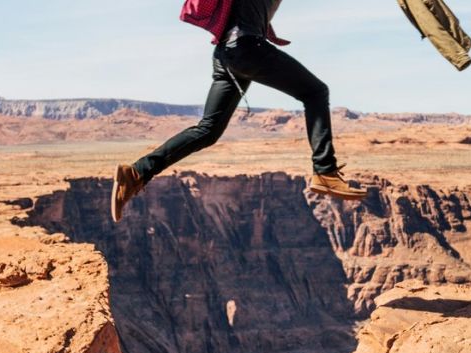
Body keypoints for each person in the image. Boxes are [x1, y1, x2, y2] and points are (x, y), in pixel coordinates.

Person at [111, 0, 367, 222]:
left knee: (208, 130)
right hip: (246, 48)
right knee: (315, 92)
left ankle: (136, 173)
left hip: (227, 52)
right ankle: (325, 171)